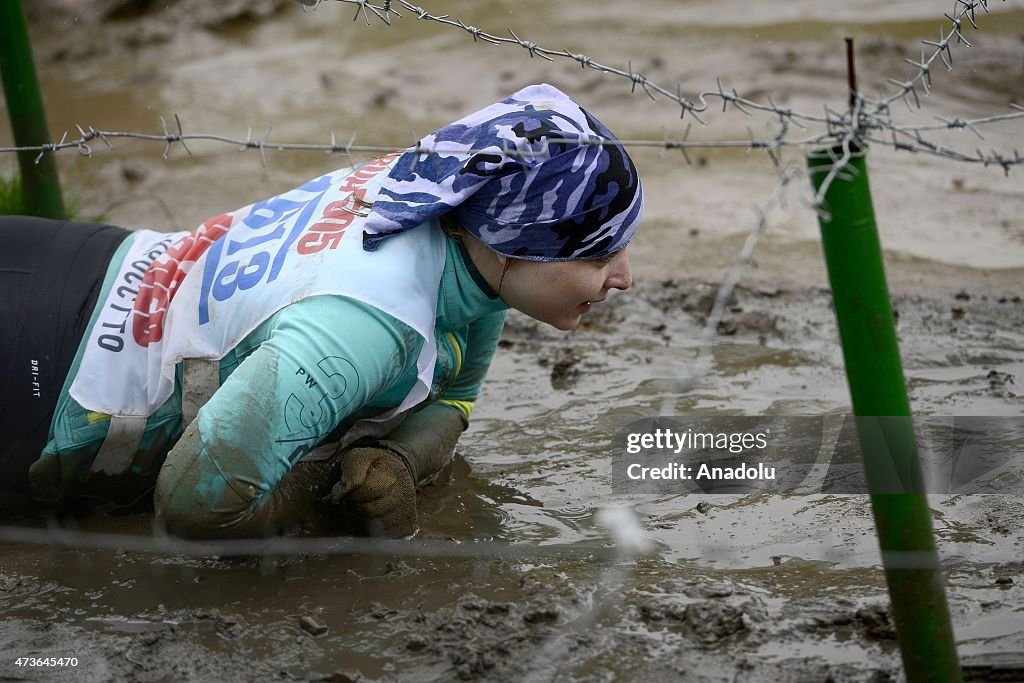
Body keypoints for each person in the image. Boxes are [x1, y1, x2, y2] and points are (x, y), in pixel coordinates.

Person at [0, 83, 643, 539]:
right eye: (599, 254)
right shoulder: (365, 326)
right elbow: (197, 503)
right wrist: (326, 487)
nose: (624, 278)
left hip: (72, 257)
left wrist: (398, 461)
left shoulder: (446, 199)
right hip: (36, 384)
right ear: (517, 242)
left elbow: (456, 399)